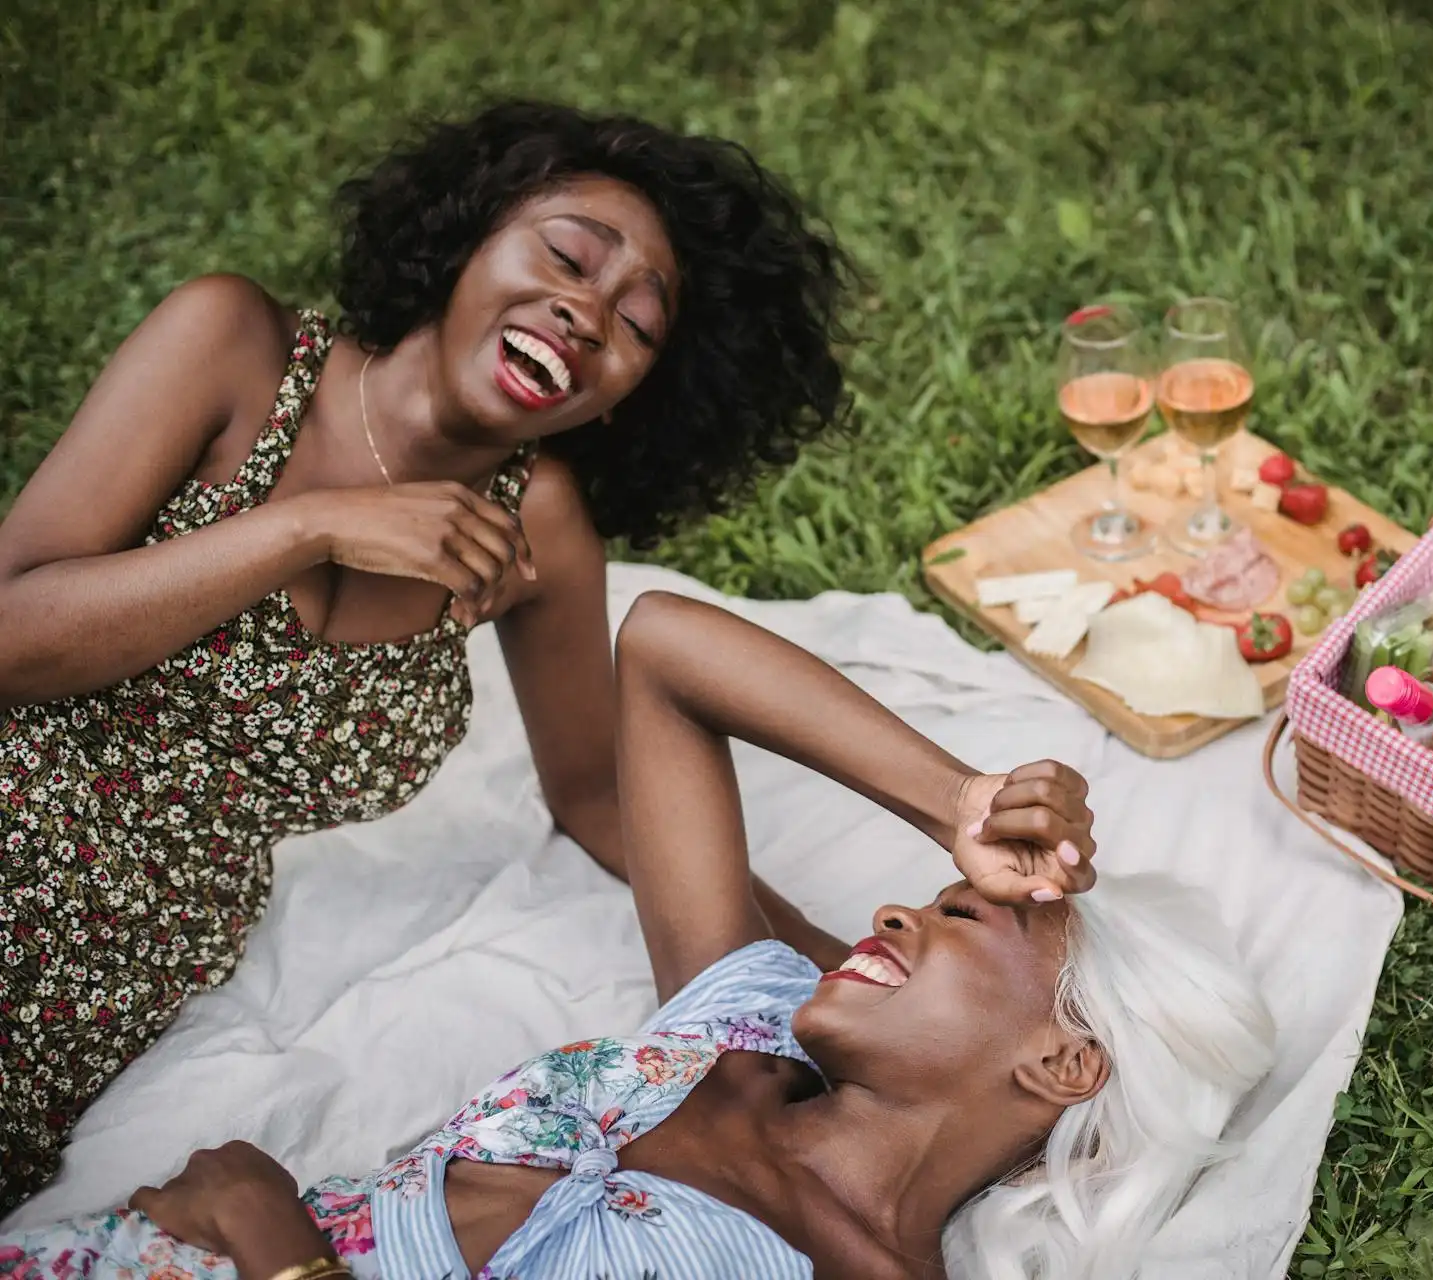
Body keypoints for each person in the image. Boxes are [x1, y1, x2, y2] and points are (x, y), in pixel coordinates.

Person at [0, 100, 854, 1210]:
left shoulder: (534, 522)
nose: (587, 313)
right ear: (467, 236)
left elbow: (600, 792)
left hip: (118, 970)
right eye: (566, 254)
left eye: (639, 326)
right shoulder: (234, 348)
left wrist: (833, 978)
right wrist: (304, 529)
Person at [0, 592, 1278, 1279]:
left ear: (1063, 1062)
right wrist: (960, 802)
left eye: (958, 914)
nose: (897, 908)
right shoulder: (742, 1024)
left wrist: (272, 1235)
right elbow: (663, 648)